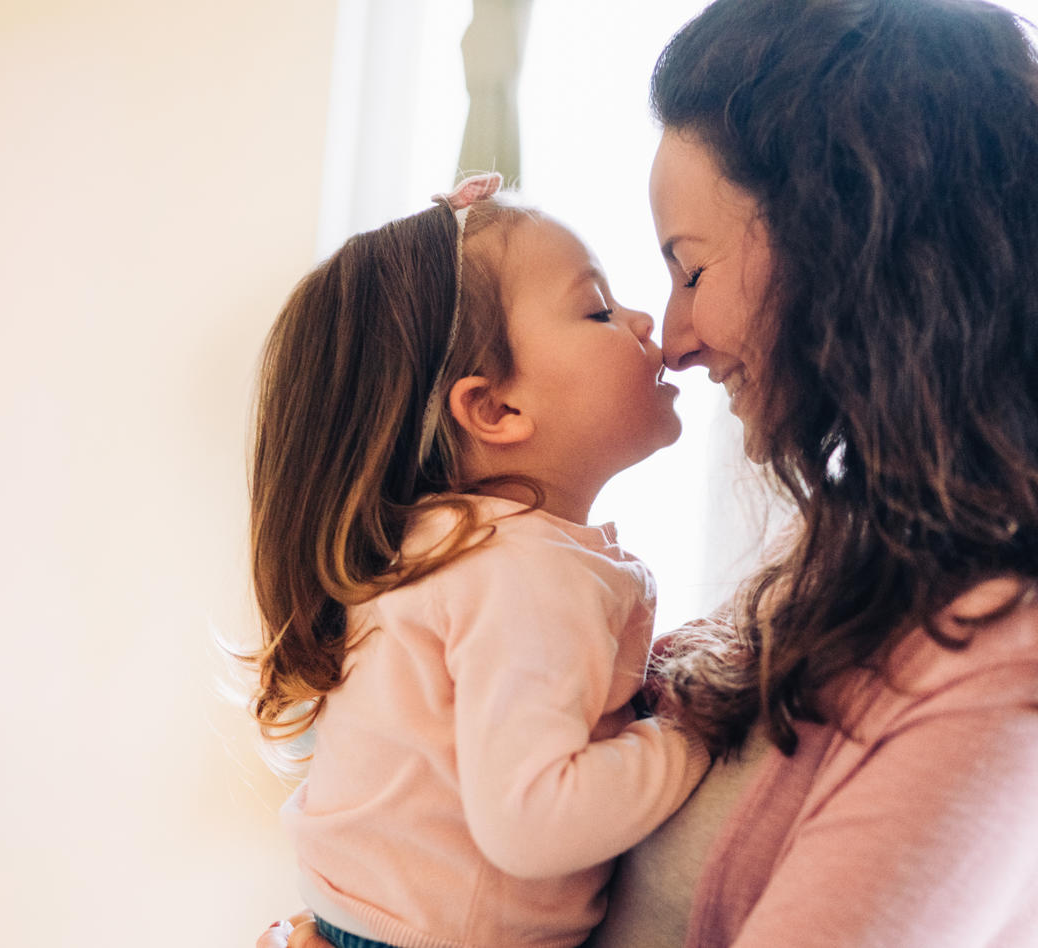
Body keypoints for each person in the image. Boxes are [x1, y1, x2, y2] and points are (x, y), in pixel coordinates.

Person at [262, 0, 1038, 944]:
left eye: (690, 272)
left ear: (847, 253)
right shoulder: (836, 575)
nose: (670, 339)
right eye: (614, 303)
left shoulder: (1008, 656)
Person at [245, 171, 710, 948]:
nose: (641, 320)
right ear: (495, 408)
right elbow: (536, 819)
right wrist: (697, 731)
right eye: (597, 308)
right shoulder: (517, 571)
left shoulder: (455, 547)